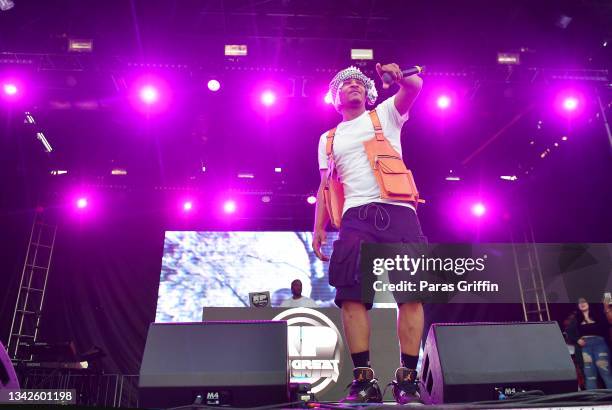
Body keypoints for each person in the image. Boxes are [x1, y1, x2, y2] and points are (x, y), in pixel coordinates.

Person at [311, 64, 424, 404]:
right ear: (336, 98)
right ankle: (364, 382)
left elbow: (415, 87)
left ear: (369, 92)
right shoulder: (327, 138)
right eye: (346, 84)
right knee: (351, 295)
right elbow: (325, 185)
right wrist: (318, 226)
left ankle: (407, 381)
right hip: (355, 218)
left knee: (411, 293)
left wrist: (399, 75)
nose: (354, 86)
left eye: (360, 82)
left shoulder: (386, 115)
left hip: (399, 210)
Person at [573, 297, 612, 389]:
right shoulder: (577, 319)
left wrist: (606, 308)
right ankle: (592, 398)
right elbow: (570, 331)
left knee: (604, 370)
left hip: (599, 344)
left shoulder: (597, 315)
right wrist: (577, 339)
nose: (582, 303)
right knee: (589, 373)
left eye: (584, 301)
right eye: (579, 302)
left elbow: (606, 326)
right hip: (586, 346)